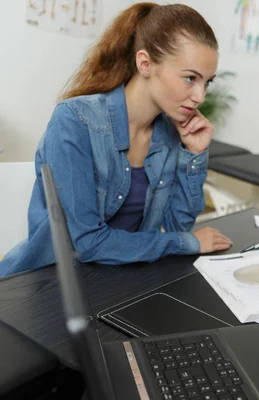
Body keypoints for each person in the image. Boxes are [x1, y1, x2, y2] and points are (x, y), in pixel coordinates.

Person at [0, 3, 233, 277]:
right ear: (145, 63)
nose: (200, 96)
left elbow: (175, 228)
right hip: (47, 285)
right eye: (190, 78)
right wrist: (186, 242)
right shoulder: (75, 121)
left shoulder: (171, 133)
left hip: (120, 283)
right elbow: (86, 243)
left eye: (207, 82)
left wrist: (195, 154)